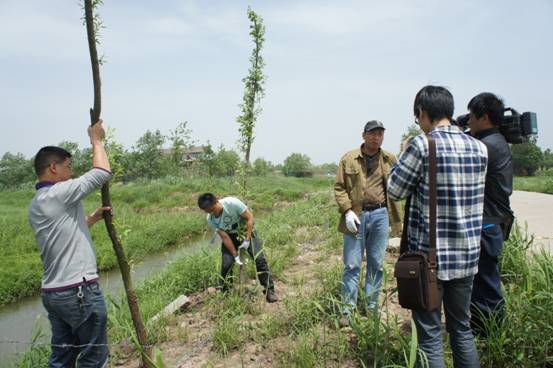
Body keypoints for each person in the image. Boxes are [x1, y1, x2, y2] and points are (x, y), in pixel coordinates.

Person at [387, 86, 487, 368]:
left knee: (430, 336)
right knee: (462, 330)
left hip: (431, 262)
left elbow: (394, 190)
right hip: (467, 257)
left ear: (422, 113)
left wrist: (404, 151)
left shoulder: (423, 145)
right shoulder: (480, 147)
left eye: (417, 116)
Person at [29, 120, 113, 368]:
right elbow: (101, 173)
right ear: (53, 168)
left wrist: (91, 219)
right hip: (78, 291)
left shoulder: (38, 201)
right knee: (94, 356)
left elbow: (61, 235)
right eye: (68, 166)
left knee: (62, 358)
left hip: (54, 293)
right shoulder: (59, 192)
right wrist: (96, 140)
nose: (72, 172)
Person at [334, 120, 402, 322]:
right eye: (372, 133)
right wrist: (347, 211)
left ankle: (371, 307)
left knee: (376, 264)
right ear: (363, 135)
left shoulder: (390, 158)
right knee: (352, 265)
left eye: (380, 134)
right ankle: (347, 310)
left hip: (381, 215)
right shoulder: (349, 159)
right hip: (356, 217)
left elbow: (399, 184)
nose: (376, 137)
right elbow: (339, 187)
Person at [467, 92, 513, 336]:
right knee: (484, 281)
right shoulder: (497, 140)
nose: (469, 122)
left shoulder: (484, 146)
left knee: (485, 282)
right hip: (493, 223)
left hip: (486, 225)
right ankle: (484, 328)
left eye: (472, 117)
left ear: (484, 117)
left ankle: (490, 333)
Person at [197, 193, 278, 303]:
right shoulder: (210, 219)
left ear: (216, 201)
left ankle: (269, 291)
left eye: (212, 209)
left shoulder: (232, 203)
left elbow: (249, 218)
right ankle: (226, 293)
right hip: (230, 236)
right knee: (226, 265)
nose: (212, 213)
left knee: (260, 260)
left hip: (246, 231)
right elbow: (225, 237)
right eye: (207, 211)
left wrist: (247, 239)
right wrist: (235, 255)